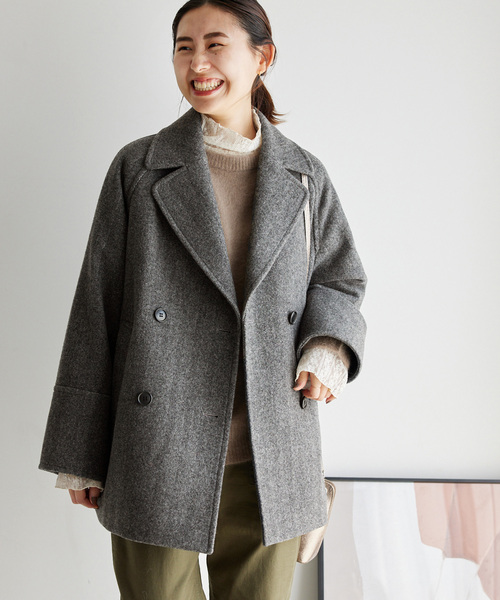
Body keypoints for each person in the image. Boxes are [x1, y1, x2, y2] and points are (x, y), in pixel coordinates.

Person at [38, 0, 367, 598]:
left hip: (272, 451)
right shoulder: (139, 168)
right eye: (184, 47)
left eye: (216, 45)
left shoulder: (304, 175)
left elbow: (339, 278)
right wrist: (80, 449)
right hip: (158, 446)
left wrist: (328, 346)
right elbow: (96, 307)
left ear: (262, 57)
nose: (197, 63)